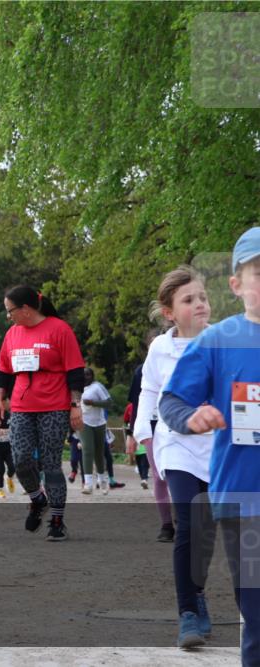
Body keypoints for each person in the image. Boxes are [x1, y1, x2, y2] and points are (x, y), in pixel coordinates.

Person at [159, 227, 260, 665]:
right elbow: (172, 401)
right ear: (237, 285)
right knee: (257, 614)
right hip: (243, 499)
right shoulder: (217, 341)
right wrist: (192, 417)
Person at [137, 266, 217, 649]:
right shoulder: (161, 349)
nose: (200, 304)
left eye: (202, 297)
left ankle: (199, 592)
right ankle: (187, 613)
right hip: (177, 445)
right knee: (187, 523)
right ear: (169, 312)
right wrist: (142, 429)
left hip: (218, 448)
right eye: (189, 300)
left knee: (206, 529)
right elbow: (149, 391)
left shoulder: (223, 342)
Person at [0, 285, 85, 542]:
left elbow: (75, 371)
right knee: (20, 459)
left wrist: (75, 406)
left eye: (10, 311)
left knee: (51, 464)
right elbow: (3, 371)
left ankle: (57, 519)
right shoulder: (12, 334)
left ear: (26, 309)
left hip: (54, 406)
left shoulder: (59, 329)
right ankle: (37, 498)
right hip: (22, 406)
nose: (8, 316)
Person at [129, 352, 175, 541]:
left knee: (179, 473)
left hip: (177, 423)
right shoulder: (142, 371)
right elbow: (135, 403)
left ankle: (183, 517)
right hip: (152, 425)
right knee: (158, 476)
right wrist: (132, 433)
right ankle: (166, 524)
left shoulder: (182, 363)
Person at [79, 368, 112, 496]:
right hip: (84, 422)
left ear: (92, 376)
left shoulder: (97, 387)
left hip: (99, 423)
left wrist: (93, 402)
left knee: (99, 452)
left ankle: (102, 480)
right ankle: (88, 484)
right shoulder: (76, 389)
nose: (86, 377)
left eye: (88, 374)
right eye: (84, 375)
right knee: (88, 449)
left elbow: (109, 403)